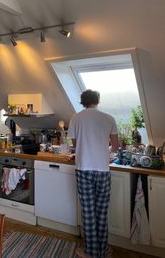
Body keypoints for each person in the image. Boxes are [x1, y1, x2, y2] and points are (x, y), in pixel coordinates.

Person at [68, 89, 118, 258]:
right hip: (103, 170)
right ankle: (102, 251)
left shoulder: (76, 117)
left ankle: (90, 252)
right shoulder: (108, 118)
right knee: (101, 212)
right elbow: (115, 147)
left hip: (83, 169)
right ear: (97, 100)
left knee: (88, 212)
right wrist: (104, 152)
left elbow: (75, 144)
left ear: (82, 101)